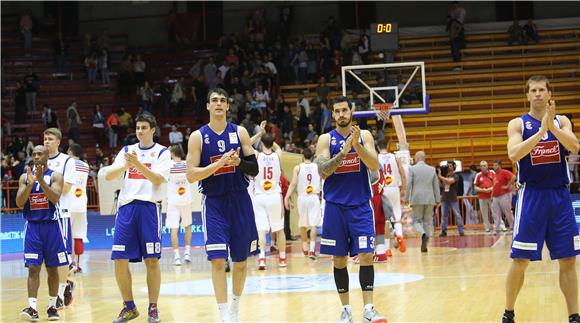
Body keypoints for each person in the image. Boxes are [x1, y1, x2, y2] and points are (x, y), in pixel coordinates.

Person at [502, 75, 580, 323]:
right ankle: (508, 312)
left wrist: (552, 128)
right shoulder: (518, 124)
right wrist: (541, 133)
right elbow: (514, 154)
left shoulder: (562, 120)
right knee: (521, 259)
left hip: (559, 195)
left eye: (541, 90)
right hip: (532, 196)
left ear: (549, 94)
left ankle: (574, 316)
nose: (537, 94)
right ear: (527, 95)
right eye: (533, 90)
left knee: (568, 258)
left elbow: (575, 147)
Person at [185, 88, 259, 322]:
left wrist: (239, 162)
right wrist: (217, 166)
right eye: (214, 100)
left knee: (240, 261)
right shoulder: (198, 136)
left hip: (240, 201)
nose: (218, 104)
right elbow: (190, 174)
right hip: (215, 203)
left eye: (222, 101)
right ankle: (224, 313)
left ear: (228, 106)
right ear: (207, 106)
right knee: (217, 260)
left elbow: (254, 169)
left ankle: (235, 307)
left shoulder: (240, 132)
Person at [314, 96, 384, 322]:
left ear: (351, 112)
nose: (341, 114)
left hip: (360, 205)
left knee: (366, 255)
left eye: (344, 110)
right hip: (335, 207)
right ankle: (346, 311)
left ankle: (369, 309)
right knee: (339, 260)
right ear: (333, 115)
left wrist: (356, 146)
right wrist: (343, 152)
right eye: (337, 111)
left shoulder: (363, 135)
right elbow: (323, 171)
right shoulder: (325, 139)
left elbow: (374, 165)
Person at [104, 114, 170, 323]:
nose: (140, 131)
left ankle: (153, 307)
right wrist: (126, 165)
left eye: (144, 127)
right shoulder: (127, 151)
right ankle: (129, 306)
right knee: (119, 259)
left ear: (153, 129)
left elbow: (158, 180)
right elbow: (108, 175)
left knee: (151, 260)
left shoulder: (162, 152)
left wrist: (138, 165)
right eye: (137, 127)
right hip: (126, 209)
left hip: (149, 208)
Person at [17, 145, 67, 322]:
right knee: (33, 268)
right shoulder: (25, 177)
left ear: (47, 156)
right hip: (33, 227)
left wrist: (41, 181)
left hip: (52, 227)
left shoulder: (56, 175)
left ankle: (52, 306)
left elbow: (55, 197)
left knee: (52, 269)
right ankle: (32, 308)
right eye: (34, 154)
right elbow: (19, 202)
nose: (36, 156)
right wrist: (31, 183)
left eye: (40, 154)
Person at [43, 128, 76, 309]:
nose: (46, 141)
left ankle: (60, 294)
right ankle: (66, 284)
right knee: (47, 260)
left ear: (58, 142)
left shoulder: (67, 161)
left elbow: (66, 188)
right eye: (45, 139)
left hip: (60, 213)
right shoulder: (39, 160)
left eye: (50, 139)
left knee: (62, 257)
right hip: (42, 215)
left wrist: (44, 185)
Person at [249, 133, 286, 270]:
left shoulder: (257, 156)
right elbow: (277, 148)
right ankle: (282, 259)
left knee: (261, 230)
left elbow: (247, 143)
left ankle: (262, 258)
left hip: (260, 196)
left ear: (261, 143)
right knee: (279, 229)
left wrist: (260, 134)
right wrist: (269, 139)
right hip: (274, 196)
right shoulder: (277, 155)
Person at [285, 147, 321, 259]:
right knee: (314, 224)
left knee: (303, 223)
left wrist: (287, 196)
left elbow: (293, 183)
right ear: (312, 156)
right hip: (314, 197)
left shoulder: (298, 167)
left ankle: (305, 246)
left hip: (302, 197)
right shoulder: (317, 167)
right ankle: (312, 249)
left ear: (302, 156)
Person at [405, 151, 441, 253]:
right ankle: (425, 245)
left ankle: (423, 234)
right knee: (427, 222)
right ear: (424, 158)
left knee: (416, 221)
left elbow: (408, 184)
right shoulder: (432, 169)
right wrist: (437, 199)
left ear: (416, 158)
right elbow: (436, 186)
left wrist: (406, 197)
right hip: (430, 199)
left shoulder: (412, 169)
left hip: (417, 199)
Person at [377, 138, 407, 256]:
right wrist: (403, 189)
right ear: (388, 145)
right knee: (397, 217)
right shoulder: (395, 157)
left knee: (385, 219)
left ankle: (387, 249)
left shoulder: (376, 158)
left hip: (383, 189)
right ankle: (399, 235)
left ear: (377, 146)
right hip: (395, 189)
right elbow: (403, 174)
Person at [166, 144, 193, 266]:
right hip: (186, 200)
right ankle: (187, 253)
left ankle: (177, 257)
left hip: (173, 202)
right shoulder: (187, 164)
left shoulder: (168, 165)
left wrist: (167, 151)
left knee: (174, 230)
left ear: (172, 154)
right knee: (188, 227)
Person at [66, 144, 89, 273]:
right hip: (81, 203)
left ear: (70, 151)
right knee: (78, 235)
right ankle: (76, 264)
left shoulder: (67, 163)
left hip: (69, 202)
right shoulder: (86, 166)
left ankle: (69, 262)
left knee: (67, 234)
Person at [437, 162, 465, 236]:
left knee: (457, 214)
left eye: (450, 166)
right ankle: (443, 231)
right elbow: (440, 185)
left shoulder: (456, 175)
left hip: (452, 197)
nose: (449, 167)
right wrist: (439, 177)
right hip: (444, 198)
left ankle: (461, 230)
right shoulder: (444, 176)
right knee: (444, 215)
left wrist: (440, 176)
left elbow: (449, 181)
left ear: (454, 167)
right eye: (448, 166)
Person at [491, 160, 515, 233]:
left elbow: (513, 177)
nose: (494, 167)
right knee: (495, 213)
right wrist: (492, 195)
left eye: (496, 165)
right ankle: (497, 228)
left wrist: (507, 185)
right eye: (493, 165)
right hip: (495, 196)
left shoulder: (504, 172)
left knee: (507, 211)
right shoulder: (495, 175)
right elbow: (494, 186)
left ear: (499, 165)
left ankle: (512, 227)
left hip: (504, 195)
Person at [473, 160, 495, 232]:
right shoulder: (478, 175)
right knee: (484, 214)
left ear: (487, 166)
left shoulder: (492, 172)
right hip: (482, 197)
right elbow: (475, 187)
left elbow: (496, 183)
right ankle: (486, 227)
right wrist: (483, 190)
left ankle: (500, 226)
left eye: (484, 165)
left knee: (495, 212)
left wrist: (491, 188)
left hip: (492, 196)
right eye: (481, 166)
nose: (483, 167)